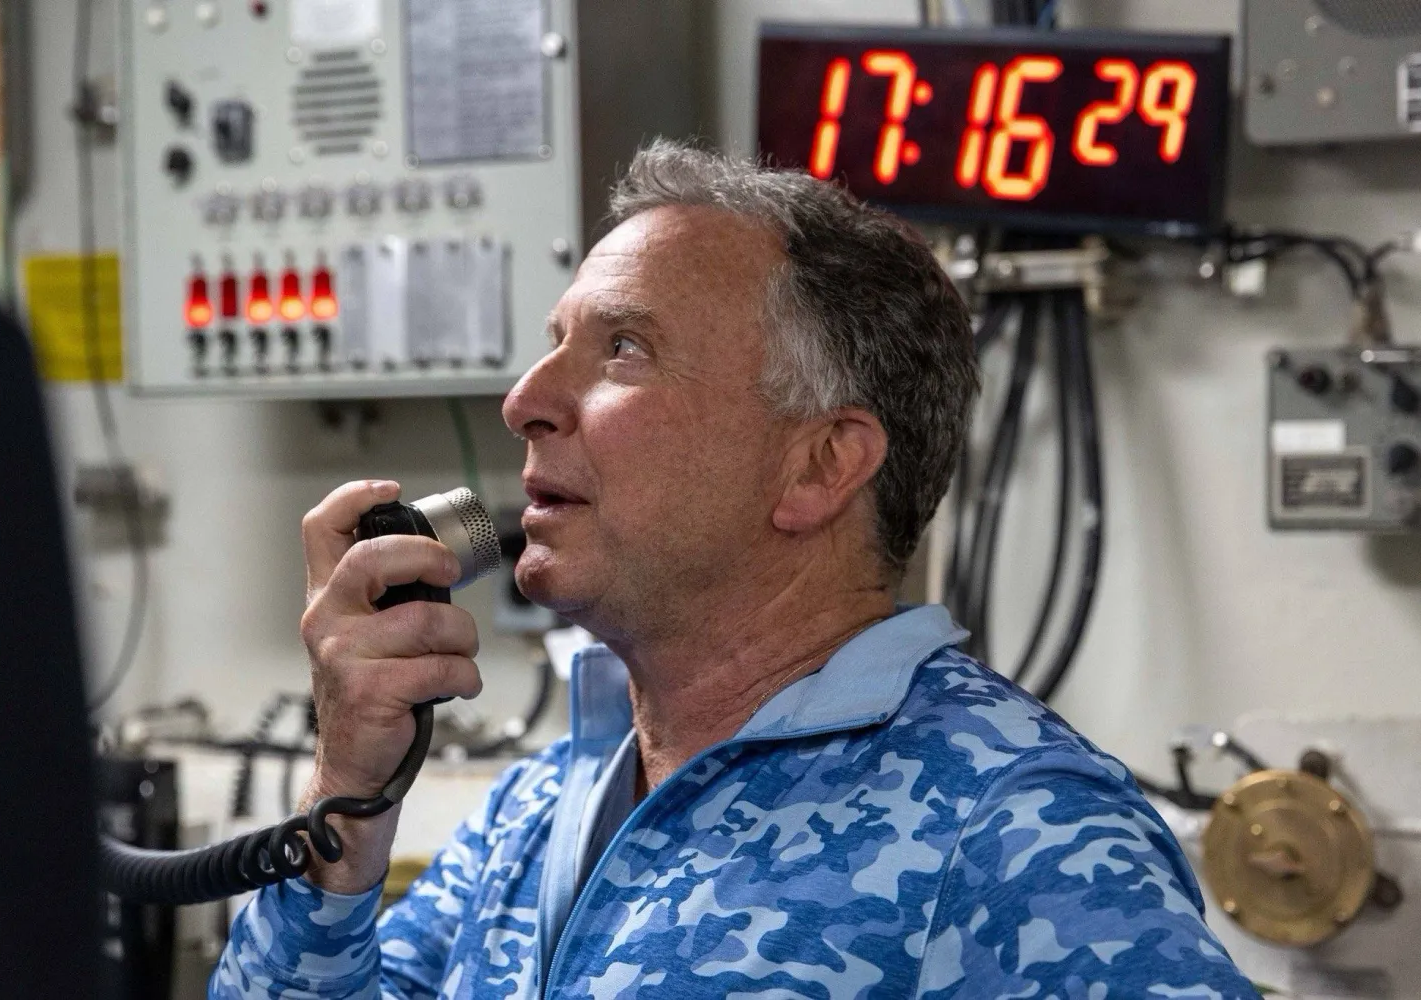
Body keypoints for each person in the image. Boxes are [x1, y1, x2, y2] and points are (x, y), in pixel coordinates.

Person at [212, 141, 1258, 998]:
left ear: (819, 465)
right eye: (556, 341)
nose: (525, 399)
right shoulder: (541, 803)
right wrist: (347, 789)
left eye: (624, 349)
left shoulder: (1016, 829)